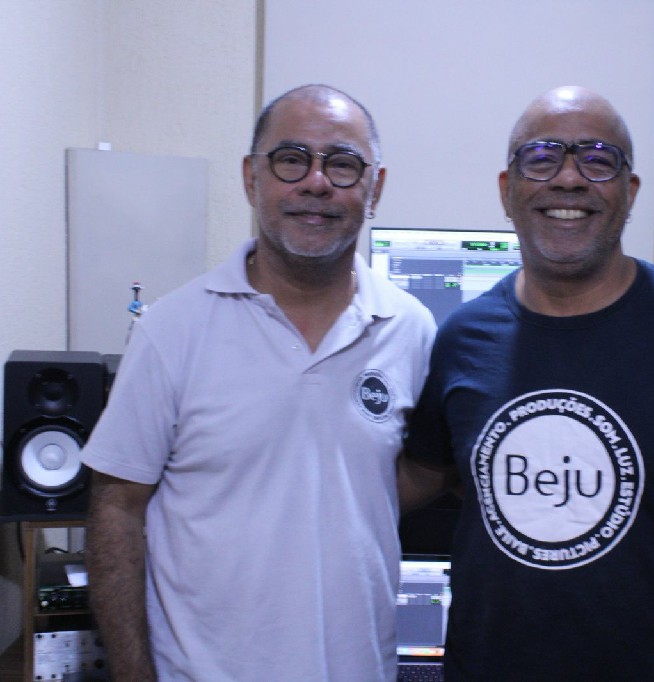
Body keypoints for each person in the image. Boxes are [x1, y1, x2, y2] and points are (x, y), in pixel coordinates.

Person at [398, 86, 654, 681]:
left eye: (597, 159)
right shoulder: (461, 339)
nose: (568, 179)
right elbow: (423, 473)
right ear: (507, 190)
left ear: (629, 191)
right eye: (541, 157)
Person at [82, 84, 436, 681]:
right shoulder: (171, 330)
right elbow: (116, 508)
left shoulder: (411, 329)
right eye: (291, 159)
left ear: (375, 188)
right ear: (252, 178)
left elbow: (408, 474)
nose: (316, 183)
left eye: (343, 164)